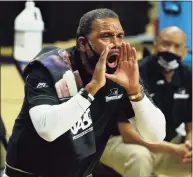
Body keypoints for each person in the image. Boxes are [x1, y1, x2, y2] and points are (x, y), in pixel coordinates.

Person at [4, 9, 165, 177]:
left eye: (120, 36)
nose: (116, 43)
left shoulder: (121, 73)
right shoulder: (51, 67)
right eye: (106, 36)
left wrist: (135, 91)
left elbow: (155, 135)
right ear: (82, 43)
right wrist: (92, 88)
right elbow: (47, 130)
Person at [100, 26, 192, 177]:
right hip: (122, 142)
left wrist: (189, 145)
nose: (170, 50)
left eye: (176, 46)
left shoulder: (188, 76)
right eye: (165, 44)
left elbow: (190, 124)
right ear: (155, 45)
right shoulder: (134, 73)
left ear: (185, 51)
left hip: (166, 145)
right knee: (140, 157)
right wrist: (175, 149)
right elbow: (128, 134)